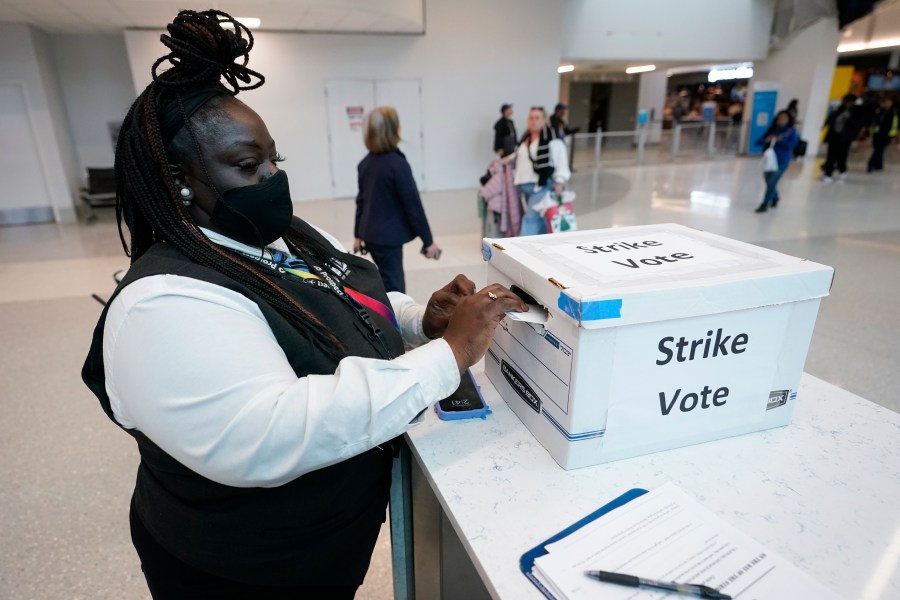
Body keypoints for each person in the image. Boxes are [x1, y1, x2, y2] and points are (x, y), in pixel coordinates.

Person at [81, 10, 526, 599]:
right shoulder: (163, 303)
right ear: (177, 178)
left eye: (274, 160)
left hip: (327, 541)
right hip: (241, 568)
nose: (271, 178)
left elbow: (338, 296)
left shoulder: (285, 233)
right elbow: (274, 430)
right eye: (247, 166)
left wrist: (419, 320)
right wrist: (447, 355)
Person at [354, 106, 439, 294]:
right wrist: (429, 242)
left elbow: (361, 201)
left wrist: (358, 235)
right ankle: (393, 322)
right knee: (395, 287)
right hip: (387, 238)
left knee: (385, 280)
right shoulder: (398, 165)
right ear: (393, 131)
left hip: (370, 235)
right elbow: (413, 207)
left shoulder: (365, 164)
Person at [513, 106, 571, 235]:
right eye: (531, 117)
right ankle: (543, 245)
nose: (533, 121)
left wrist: (559, 181)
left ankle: (524, 250)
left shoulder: (552, 139)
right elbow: (518, 156)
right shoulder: (525, 139)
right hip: (524, 186)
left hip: (541, 186)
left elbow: (561, 160)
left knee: (530, 218)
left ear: (544, 120)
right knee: (540, 218)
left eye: (537, 118)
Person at [755, 110, 799, 213]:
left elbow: (792, 145)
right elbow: (758, 142)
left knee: (772, 182)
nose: (781, 120)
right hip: (769, 161)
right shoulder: (772, 130)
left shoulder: (791, 131)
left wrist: (781, 140)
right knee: (768, 180)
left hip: (782, 161)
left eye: (784, 118)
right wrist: (767, 139)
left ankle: (764, 204)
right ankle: (775, 197)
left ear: (788, 120)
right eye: (780, 118)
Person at [822, 94, 866, 183]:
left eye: (850, 102)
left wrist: (848, 119)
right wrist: (826, 124)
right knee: (831, 156)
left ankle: (842, 171)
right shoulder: (838, 110)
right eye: (846, 101)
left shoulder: (856, 112)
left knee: (841, 156)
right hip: (834, 136)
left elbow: (857, 125)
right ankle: (828, 174)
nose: (847, 103)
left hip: (845, 138)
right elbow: (831, 118)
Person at [867, 95, 898, 173]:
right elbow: (874, 121)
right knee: (879, 149)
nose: (887, 104)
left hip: (886, 135)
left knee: (878, 149)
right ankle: (879, 165)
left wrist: (893, 136)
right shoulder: (879, 111)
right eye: (885, 102)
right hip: (877, 134)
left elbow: (895, 125)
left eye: (888, 102)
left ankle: (871, 164)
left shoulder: (894, 112)